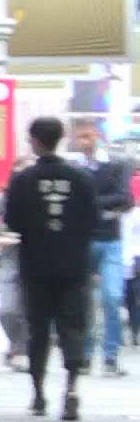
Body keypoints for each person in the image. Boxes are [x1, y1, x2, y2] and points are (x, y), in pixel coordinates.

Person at [3, 113, 95, 420]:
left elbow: (12, 221)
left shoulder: (23, 179)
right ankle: (72, 387)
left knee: (38, 329)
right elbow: (93, 220)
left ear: (35, 141)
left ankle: (39, 394)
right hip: (73, 265)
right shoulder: (81, 178)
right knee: (72, 326)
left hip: (36, 265)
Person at [66, 112, 132, 376]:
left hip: (110, 240)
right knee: (82, 300)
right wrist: (103, 206)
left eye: (88, 135)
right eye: (80, 136)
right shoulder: (74, 168)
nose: (84, 141)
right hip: (83, 239)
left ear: (97, 135)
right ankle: (84, 353)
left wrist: (90, 205)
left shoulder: (117, 164)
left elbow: (124, 198)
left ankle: (110, 355)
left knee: (112, 297)